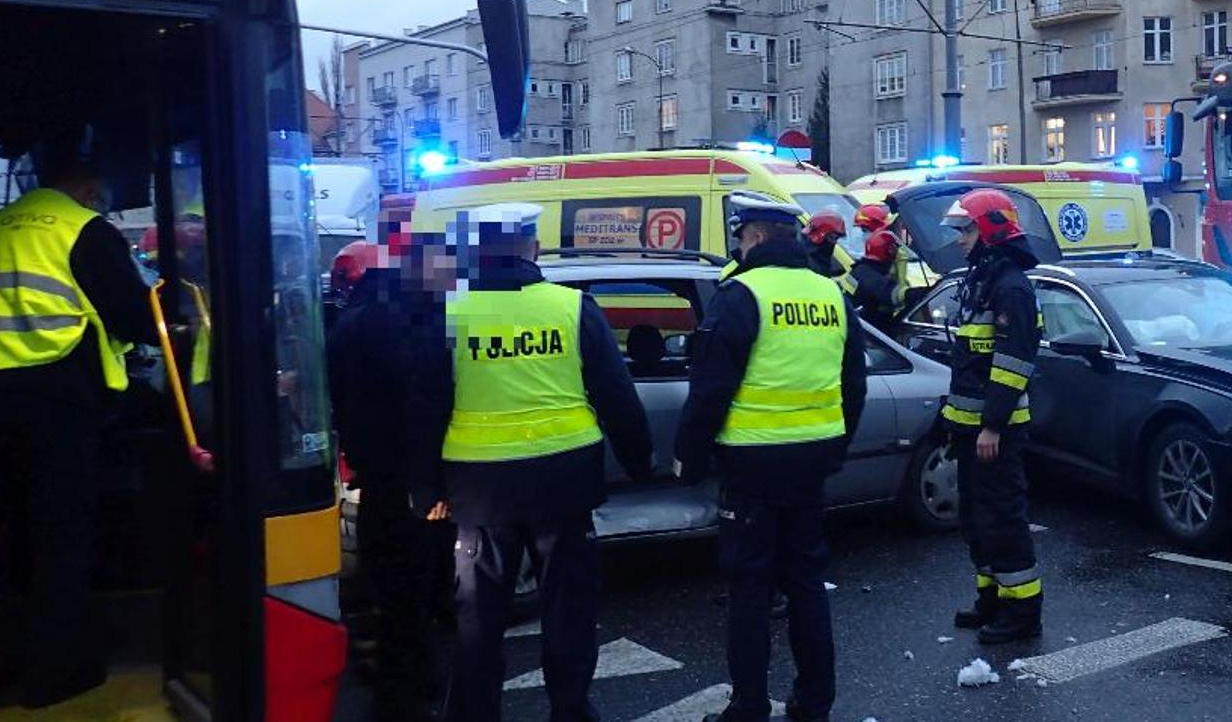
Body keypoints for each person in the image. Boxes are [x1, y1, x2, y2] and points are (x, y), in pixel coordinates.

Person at [424, 203, 655, 722]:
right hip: (564, 484)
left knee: (478, 617)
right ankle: (570, 711)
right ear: (533, 247)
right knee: (568, 610)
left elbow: (426, 406)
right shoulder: (572, 308)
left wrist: (427, 487)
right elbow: (617, 397)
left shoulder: (449, 314)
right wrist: (641, 464)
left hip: (481, 490)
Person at [0, 134, 159, 707]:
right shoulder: (82, 229)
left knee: (2, 536)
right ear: (85, 185)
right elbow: (133, 317)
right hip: (55, 400)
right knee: (61, 539)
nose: (102, 202)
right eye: (99, 193)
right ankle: (58, 674)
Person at [675, 191, 868, 722]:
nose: (739, 244)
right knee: (806, 581)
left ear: (755, 235)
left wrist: (686, 459)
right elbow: (854, 383)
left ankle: (750, 706)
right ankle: (814, 702)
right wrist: (836, 446)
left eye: (740, 235)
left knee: (750, 587)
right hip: (812, 461)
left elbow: (710, 390)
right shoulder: (830, 294)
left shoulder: (741, 295)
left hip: (752, 464)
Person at [325, 237, 455, 721]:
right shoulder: (410, 323)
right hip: (415, 481)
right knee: (416, 594)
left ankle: (398, 683)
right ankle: (409, 694)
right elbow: (424, 407)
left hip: (375, 478)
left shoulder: (351, 323)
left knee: (391, 589)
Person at [939, 189, 1045, 645]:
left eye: (966, 230)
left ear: (989, 230)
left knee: (1002, 518)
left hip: (995, 431)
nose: (960, 240)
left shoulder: (1012, 287)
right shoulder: (982, 278)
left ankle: (1022, 613)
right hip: (971, 428)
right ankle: (992, 599)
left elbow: (1014, 364)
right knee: (976, 518)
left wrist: (992, 426)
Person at [845, 230, 903, 333]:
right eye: (895, 250)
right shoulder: (865, 273)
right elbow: (887, 295)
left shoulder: (868, 269)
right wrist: (909, 293)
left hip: (870, 327)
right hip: (864, 331)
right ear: (890, 251)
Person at [803, 210, 849, 278]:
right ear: (821, 235)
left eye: (836, 238)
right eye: (833, 238)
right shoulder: (810, 265)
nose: (835, 243)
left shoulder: (798, 254)